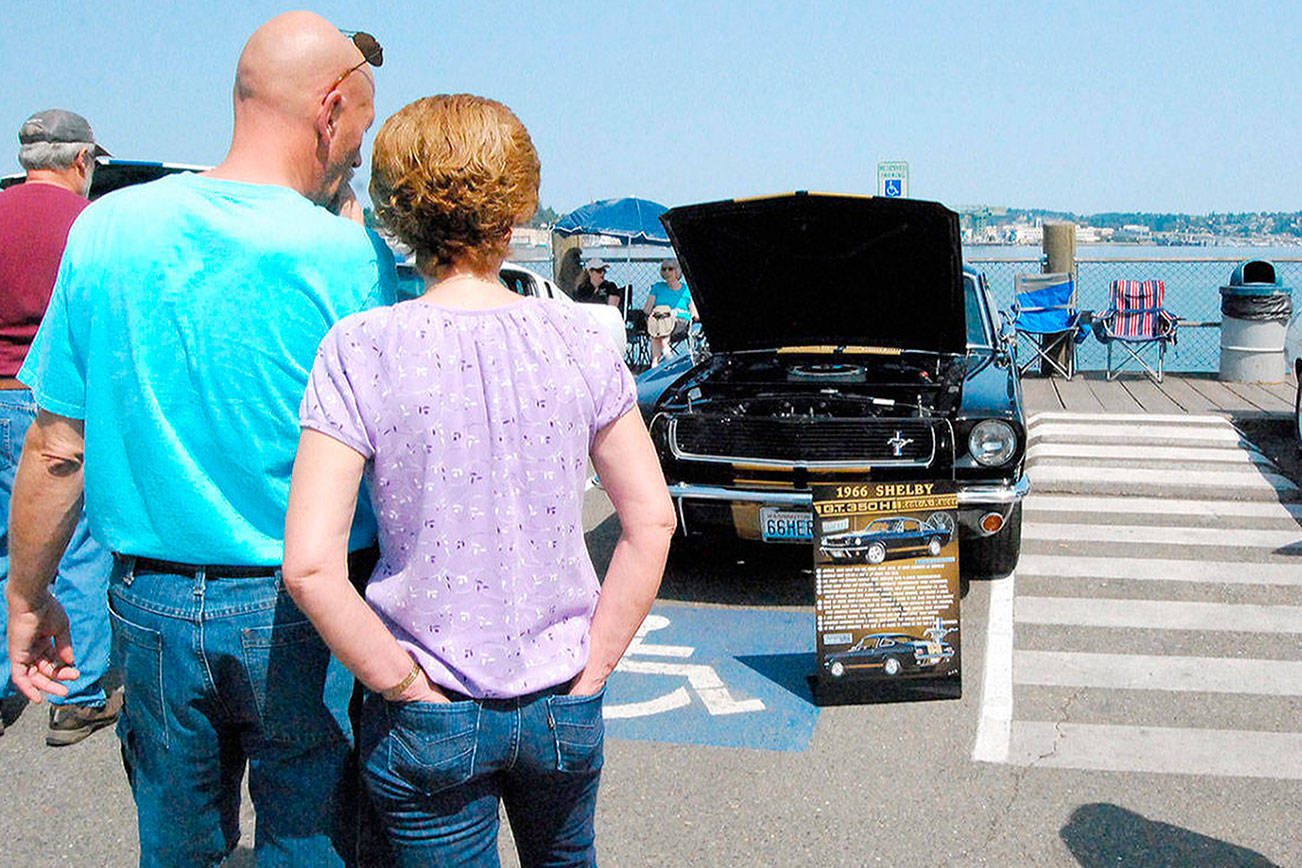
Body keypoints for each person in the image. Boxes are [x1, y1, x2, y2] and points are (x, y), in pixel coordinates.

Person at [7, 12, 395, 865]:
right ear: (329, 110)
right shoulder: (356, 264)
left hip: (146, 602)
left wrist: (28, 597)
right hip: (307, 604)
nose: (359, 153)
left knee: (176, 845)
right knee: (312, 841)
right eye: (360, 129)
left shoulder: (107, 229)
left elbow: (57, 448)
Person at [282, 93, 675, 866]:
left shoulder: (360, 348)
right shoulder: (581, 340)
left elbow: (311, 564)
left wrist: (400, 686)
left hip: (430, 701)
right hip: (563, 693)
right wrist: (594, 667)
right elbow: (651, 522)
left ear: (399, 208)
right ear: (517, 203)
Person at [0, 109, 120, 746]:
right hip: (52, 403)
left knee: (9, 542)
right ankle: (77, 691)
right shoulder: (89, 227)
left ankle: (6, 678)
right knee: (75, 545)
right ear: (80, 161)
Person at [643, 258, 697, 365]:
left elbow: (695, 314)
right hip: (659, 319)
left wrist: (677, 312)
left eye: (670, 269)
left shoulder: (686, 290)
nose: (666, 272)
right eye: (664, 269)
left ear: (677, 271)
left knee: (658, 330)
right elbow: (647, 309)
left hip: (680, 322)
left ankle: (657, 362)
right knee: (658, 324)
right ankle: (664, 353)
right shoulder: (657, 287)